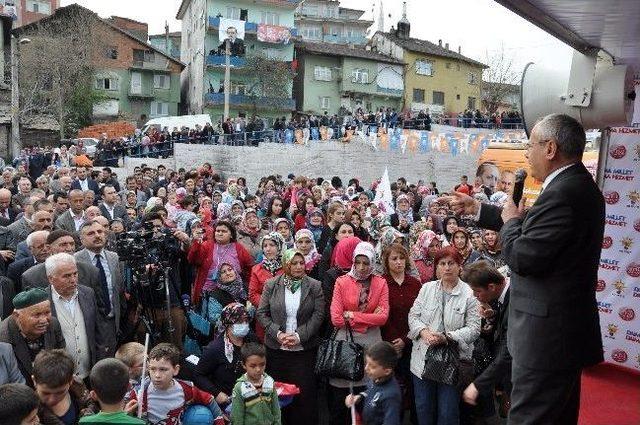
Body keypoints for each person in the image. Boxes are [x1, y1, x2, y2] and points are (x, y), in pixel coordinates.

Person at [445, 113, 604, 424]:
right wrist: (481, 210)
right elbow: (531, 225)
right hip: (561, 335)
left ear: (550, 149)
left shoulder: (565, 193)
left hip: (546, 340)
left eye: (530, 146)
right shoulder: (575, 187)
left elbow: (521, 257)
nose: (526, 154)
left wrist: (511, 223)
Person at [408, 246, 481, 425]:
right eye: (442, 263)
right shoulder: (426, 288)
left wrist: (448, 337)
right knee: (424, 409)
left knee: (448, 413)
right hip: (422, 360)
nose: (447, 267)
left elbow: (474, 329)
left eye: (451, 263)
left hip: (452, 362)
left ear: (459, 266)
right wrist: (424, 332)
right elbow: (413, 315)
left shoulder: (469, 294)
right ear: (437, 267)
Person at [256, 249, 325, 425]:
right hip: (277, 351)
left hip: (303, 351)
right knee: (279, 395)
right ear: (286, 264)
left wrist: (299, 336)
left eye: (301, 263)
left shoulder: (314, 285)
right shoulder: (272, 285)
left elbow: (318, 316)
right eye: (293, 263)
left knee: (304, 397)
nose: (298, 267)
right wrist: (278, 333)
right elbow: (262, 313)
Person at [329, 241, 388, 425]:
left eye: (366, 263)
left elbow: (383, 318)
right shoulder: (341, 281)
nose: (362, 268)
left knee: (367, 399)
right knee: (341, 403)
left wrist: (352, 315)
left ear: (372, 262)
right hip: (345, 345)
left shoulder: (380, 282)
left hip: (371, 347)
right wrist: (369, 317)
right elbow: (337, 319)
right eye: (358, 262)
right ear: (353, 262)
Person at [128, 343, 224, 424]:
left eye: (163, 369)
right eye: (152, 369)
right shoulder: (139, 393)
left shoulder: (187, 388)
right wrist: (127, 414)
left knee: (201, 415)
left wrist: (220, 421)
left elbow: (209, 400)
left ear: (175, 370)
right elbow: (122, 415)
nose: (157, 375)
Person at [461, 261, 511, 416]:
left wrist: (477, 386)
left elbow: (509, 351)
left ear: (491, 287)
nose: (475, 297)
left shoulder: (515, 301)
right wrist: (493, 318)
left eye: (477, 292)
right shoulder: (501, 298)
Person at [381, 244, 421, 423]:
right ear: (386, 261)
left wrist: (405, 340)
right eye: (394, 259)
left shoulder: (415, 284)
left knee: (414, 388)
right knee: (391, 391)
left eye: (401, 258)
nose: (398, 262)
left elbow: (422, 314)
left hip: (413, 343)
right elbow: (381, 312)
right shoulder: (381, 283)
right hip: (388, 344)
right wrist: (393, 339)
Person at [195, 303, 257, 409]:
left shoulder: (253, 341)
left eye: (246, 321)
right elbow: (199, 375)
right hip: (228, 401)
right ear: (228, 324)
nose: (244, 324)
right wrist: (216, 393)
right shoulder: (215, 349)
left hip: (253, 396)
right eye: (239, 322)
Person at [0, 288, 65, 387]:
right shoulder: (4, 338)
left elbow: (61, 357)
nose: (44, 320)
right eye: (37, 315)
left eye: (47, 312)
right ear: (17, 316)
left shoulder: (53, 324)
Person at [188, 220, 254, 306]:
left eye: (224, 231)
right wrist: (196, 243)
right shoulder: (207, 245)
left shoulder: (238, 248)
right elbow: (192, 260)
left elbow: (250, 268)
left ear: (231, 234)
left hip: (232, 295)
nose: (220, 233)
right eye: (217, 231)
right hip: (207, 292)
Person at [344, 341, 401, 425]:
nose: (366, 368)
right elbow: (371, 390)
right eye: (366, 363)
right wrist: (359, 397)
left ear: (387, 371)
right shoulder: (376, 378)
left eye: (372, 366)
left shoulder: (391, 396)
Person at [32, 349, 92, 424]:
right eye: (46, 393)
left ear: (71, 381)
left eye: (60, 392)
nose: (52, 400)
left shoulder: (79, 390)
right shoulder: (28, 410)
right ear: (34, 380)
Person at [80, 358, 144, 424]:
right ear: (129, 387)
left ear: (93, 395)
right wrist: (125, 415)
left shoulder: (84, 422)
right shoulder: (140, 423)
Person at [231, 342, 281, 425]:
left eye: (262, 365)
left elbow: (276, 410)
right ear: (244, 365)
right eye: (253, 366)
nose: (258, 369)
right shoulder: (240, 388)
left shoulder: (269, 382)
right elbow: (237, 417)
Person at [249, 233, 285, 341]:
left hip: (285, 314)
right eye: (265, 246)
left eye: (272, 245)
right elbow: (252, 294)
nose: (268, 249)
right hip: (264, 315)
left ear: (279, 246)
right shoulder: (257, 269)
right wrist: (268, 304)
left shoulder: (288, 267)